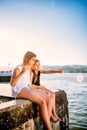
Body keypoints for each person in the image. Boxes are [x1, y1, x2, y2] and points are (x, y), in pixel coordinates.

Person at [10, 51, 53, 130]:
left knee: (49, 98)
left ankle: (47, 122)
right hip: (19, 90)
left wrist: (39, 88)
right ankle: (48, 128)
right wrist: (22, 73)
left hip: (27, 88)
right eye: (33, 59)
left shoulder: (29, 70)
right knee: (42, 102)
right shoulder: (18, 68)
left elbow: (29, 84)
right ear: (27, 59)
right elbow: (12, 84)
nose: (34, 61)